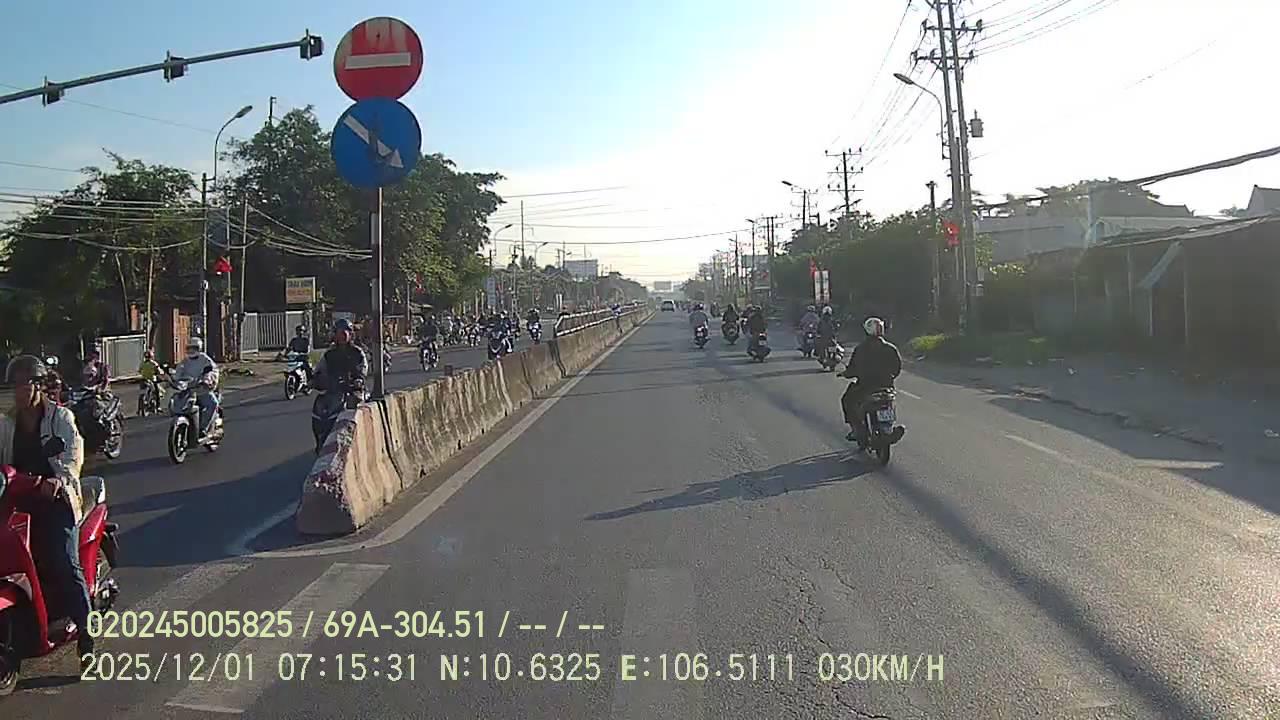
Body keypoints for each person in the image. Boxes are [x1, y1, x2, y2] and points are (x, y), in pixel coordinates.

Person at [0, 355, 92, 661]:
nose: (18, 391)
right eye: (14, 385)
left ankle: (86, 631)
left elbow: (73, 455)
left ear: (39, 386)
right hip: (17, 500)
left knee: (63, 561)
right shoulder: (6, 424)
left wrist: (58, 480)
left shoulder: (60, 418)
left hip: (54, 502)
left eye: (24, 384)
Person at [840, 317, 902, 442]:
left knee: (847, 400)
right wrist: (889, 378)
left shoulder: (861, 349)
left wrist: (846, 373)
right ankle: (888, 429)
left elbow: (852, 369)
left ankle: (856, 430)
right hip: (886, 387)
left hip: (865, 387)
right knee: (889, 402)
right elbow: (897, 368)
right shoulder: (891, 348)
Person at [173, 337, 220, 438]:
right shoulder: (185, 361)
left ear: (199, 348)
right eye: (189, 348)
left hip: (202, 390)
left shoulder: (205, 359)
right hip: (189, 391)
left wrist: (206, 380)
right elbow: (178, 372)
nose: (191, 351)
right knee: (177, 404)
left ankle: (203, 428)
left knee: (213, 403)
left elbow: (212, 370)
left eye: (194, 348)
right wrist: (174, 380)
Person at [314, 318, 369, 392]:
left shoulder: (357, 352)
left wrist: (359, 379)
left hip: (354, 390)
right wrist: (315, 380)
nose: (341, 337)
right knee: (321, 399)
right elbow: (320, 368)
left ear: (350, 335)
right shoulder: (329, 353)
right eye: (339, 333)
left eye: (344, 334)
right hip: (333, 391)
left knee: (357, 398)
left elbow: (363, 367)